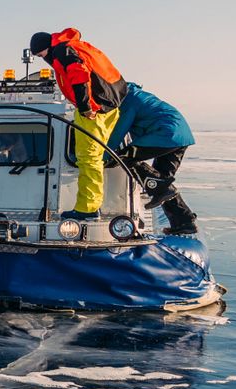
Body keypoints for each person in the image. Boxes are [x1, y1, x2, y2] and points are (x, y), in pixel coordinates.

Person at [29, 28, 128, 220]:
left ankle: (88, 209)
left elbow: (79, 74)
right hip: (109, 107)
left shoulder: (62, 51)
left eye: (40, 54)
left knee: (88, 158)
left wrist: (84, 107)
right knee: (94, 158)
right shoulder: (75, 46)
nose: (42, 57)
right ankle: (91, 206)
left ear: (45, 47)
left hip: (94, 111)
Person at [105, 82, 198, 235]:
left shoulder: (128, 101)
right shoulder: (139, 96)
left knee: (125, 159)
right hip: (180, 135)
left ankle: (164, 192)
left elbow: (118, 132)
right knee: (162, 179)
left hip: (166, 133)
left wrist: (107, 155)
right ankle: (184, 222)